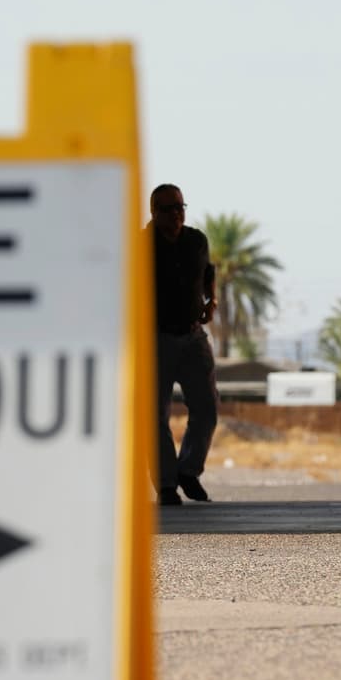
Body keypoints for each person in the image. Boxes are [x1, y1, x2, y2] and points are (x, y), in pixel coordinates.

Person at [149, 183, 218, 506]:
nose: (176, 214)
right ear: (153, 212)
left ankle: (188, 470)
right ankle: (165, 485)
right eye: (168, 209)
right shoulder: (139, 246)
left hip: (193, 337)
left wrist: (212, 299)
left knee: (207, 407)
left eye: (180, 207)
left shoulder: (196, 241)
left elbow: (208, 274)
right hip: (155, 339)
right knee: (156, 416)